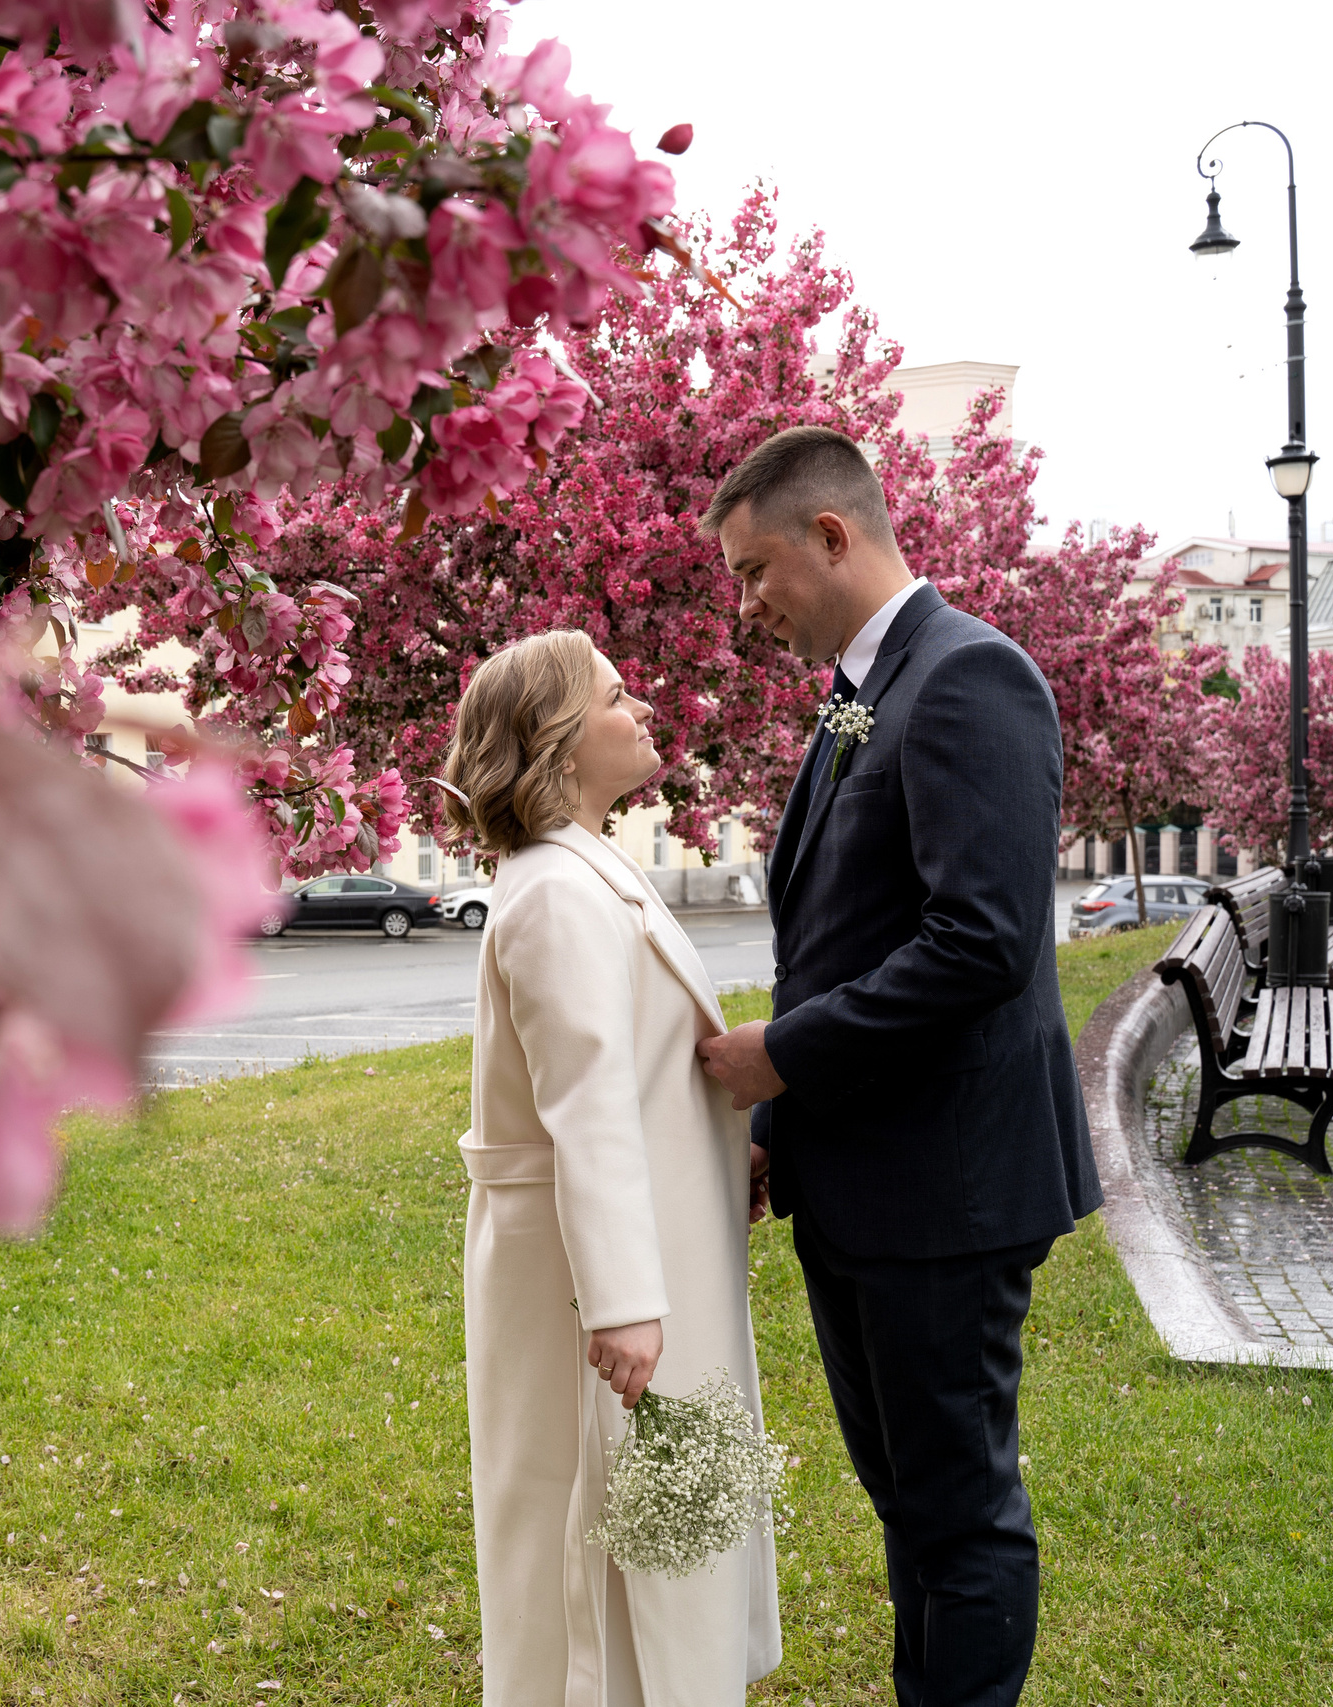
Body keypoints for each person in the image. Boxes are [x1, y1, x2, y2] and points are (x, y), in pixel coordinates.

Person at [693, 426, 1099, 1707]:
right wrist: (781, 1120)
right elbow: (839, 933)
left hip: (947, 1190)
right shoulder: (864, 690)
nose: (748, 607)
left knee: (959, 1515)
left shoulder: (969, 676)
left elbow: (980, 942)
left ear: (832, 535)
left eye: (756, 573)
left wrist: (781, 1056)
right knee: (911, 1509)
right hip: (865, 1179)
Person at [443, 629, 781, 1707]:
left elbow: (635, 1078)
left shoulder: (587, 870)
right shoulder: (553, 892)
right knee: (598, 1539)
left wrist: (728, 1158)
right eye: (615, 698)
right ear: (554, 739)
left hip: (664, 1246)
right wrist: (624, 1303)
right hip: (604, 1281)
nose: (642, 712)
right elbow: (583, 1106)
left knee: (663, 1524)